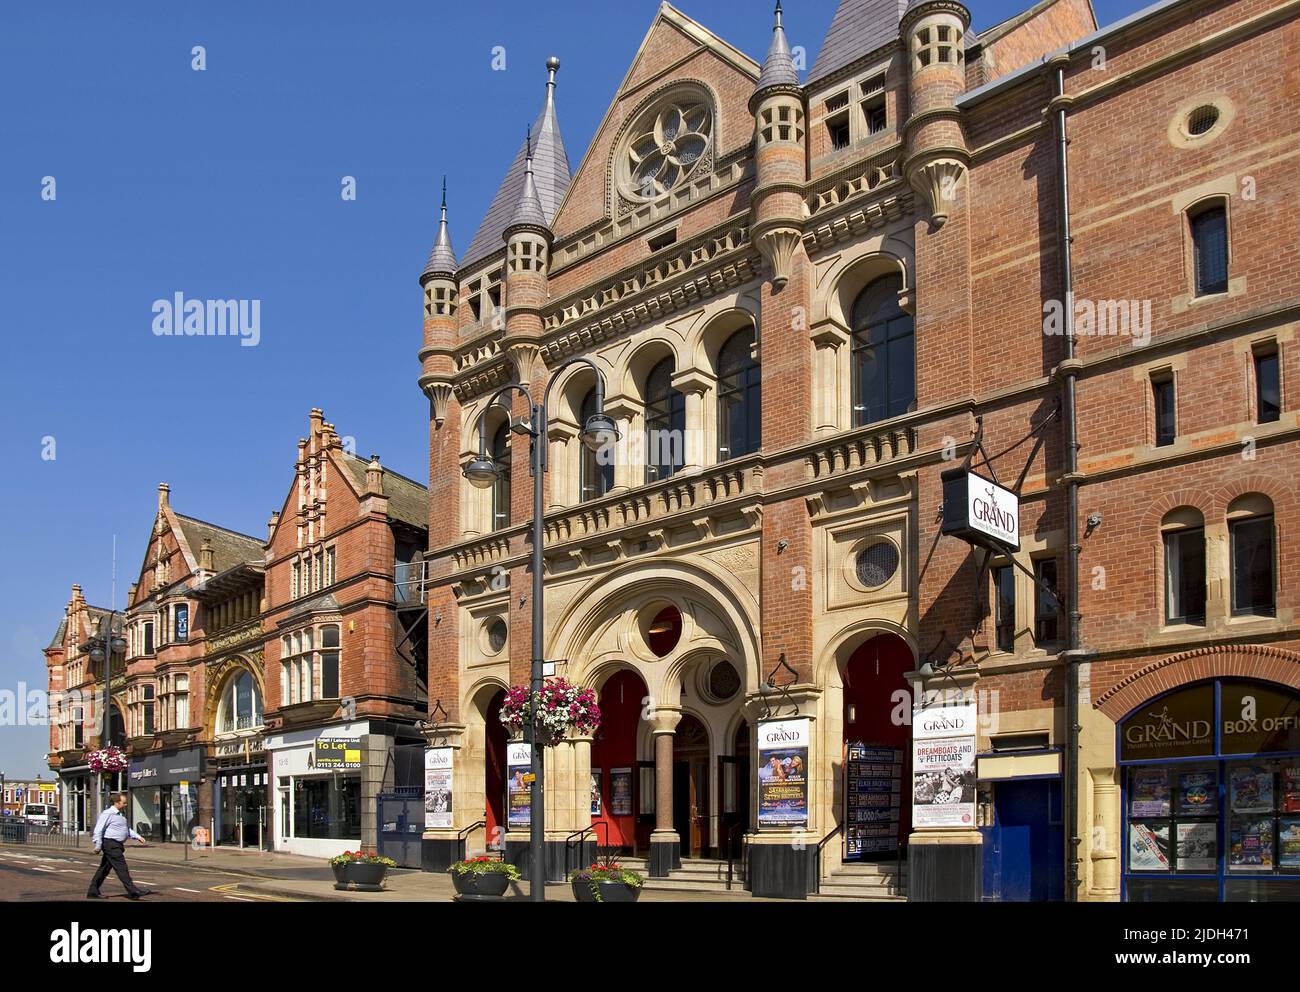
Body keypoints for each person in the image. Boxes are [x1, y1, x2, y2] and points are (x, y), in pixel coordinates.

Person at [86, 792, 151, 900]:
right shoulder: (108, 814)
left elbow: (125, 829)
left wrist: (137, 836)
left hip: (115, 844)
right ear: (117, 802)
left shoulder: (120, 814)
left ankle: (93, 891)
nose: (126, 805)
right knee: (121, 867)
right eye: (124, 803)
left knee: (104, 869)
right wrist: (97, 845)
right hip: (110, 844)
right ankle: (133, 891)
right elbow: (98, 830)